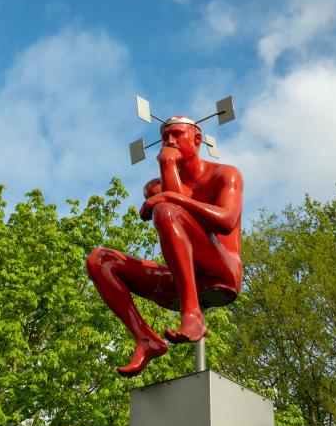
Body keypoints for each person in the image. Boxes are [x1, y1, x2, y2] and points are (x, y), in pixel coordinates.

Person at [85, 116, 243, 376]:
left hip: (220, 270)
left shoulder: (225, 174)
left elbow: (226, 221)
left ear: (197, 139)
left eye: (177, 134)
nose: (169, 141)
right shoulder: (155, 187)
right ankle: (146, 339)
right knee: (99, 260)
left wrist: (167, 195)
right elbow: (172, 204)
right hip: (177, 280)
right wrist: (167, 169)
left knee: (166, 209)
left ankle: (192, 315)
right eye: (165, 136)